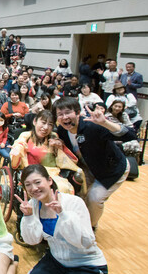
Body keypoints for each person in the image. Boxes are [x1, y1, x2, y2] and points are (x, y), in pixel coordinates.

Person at [16, 165, 108, 274]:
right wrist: (28, 217)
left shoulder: (73, 202)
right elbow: (32, 240)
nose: (34, 188)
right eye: (28, 185)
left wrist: (63, 214)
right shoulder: (33, 205)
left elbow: (85, 242)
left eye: (38, 182)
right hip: (57, 260)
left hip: (86, 265)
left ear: (49, 181)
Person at [53, 97, 137, 229]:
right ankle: (77, 224)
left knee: (94, 198)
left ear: (78, 113)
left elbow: (131, 135)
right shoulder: (62, 131)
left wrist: (105, 123)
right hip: (88, 167)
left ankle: (89, 228)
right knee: (77, 195)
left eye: (68, 112)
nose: (64, 117)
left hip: (112, 169)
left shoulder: (92, 126)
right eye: (60, 114)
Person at [10, 110, 81, 194]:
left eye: (50, 124)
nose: (46, 127)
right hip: (32, 172)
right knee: (46, 187)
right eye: (43, 123)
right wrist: (17, 150)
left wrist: (60, 146)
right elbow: (19, 144)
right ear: (35, 121)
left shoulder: (54, 136)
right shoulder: (26, 135)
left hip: (53, 173)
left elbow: (63, 156)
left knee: (64, 187)